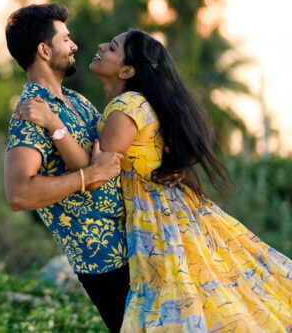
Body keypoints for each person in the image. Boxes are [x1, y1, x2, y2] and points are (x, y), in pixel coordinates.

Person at [16, 29, 292, 331]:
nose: (100, 46)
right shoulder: (121, 106)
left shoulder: (126, 108)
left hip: (159, 218)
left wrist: (53, 123)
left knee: (180, 305)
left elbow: (95, 174)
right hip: (170, 211)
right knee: (209, 298)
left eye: (112, 47)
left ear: (127, 70)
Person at [4, 3, 130, 332]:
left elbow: (104, 163)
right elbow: (18, 194)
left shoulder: (78, 102)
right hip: (103, 262)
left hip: (134, 243)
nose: (74, 46)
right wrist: (88, 177)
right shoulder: (30, 115)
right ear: (44, 50)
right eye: (66, 39)